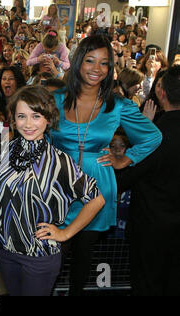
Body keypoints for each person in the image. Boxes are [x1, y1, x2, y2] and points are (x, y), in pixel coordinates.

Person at [50, 35, 162, 296]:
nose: (96, 69)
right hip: (58, 184)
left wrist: (125, 159)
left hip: (97, 187)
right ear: (78, 62)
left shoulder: (117, 105)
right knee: (53, 254)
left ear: (110, 69)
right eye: (90, 60)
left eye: (103, 63)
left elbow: (153, 136)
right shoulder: (55, 99)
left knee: (82, 255)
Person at [0, 86, 104, 296]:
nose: (28, 124)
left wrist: (66, 233)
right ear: (13, 119)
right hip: (5, 252)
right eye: (21, 116)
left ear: (48, 119)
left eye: (36, 116)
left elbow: (96, 199)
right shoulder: (4, 151)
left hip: (40, 255)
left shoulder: (59, 161)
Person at [117, 65, 180, 296]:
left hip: (151, 228)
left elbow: (125, 176)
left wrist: (142, 129)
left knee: (147, 285)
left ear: (161, 93)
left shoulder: (155, 135)